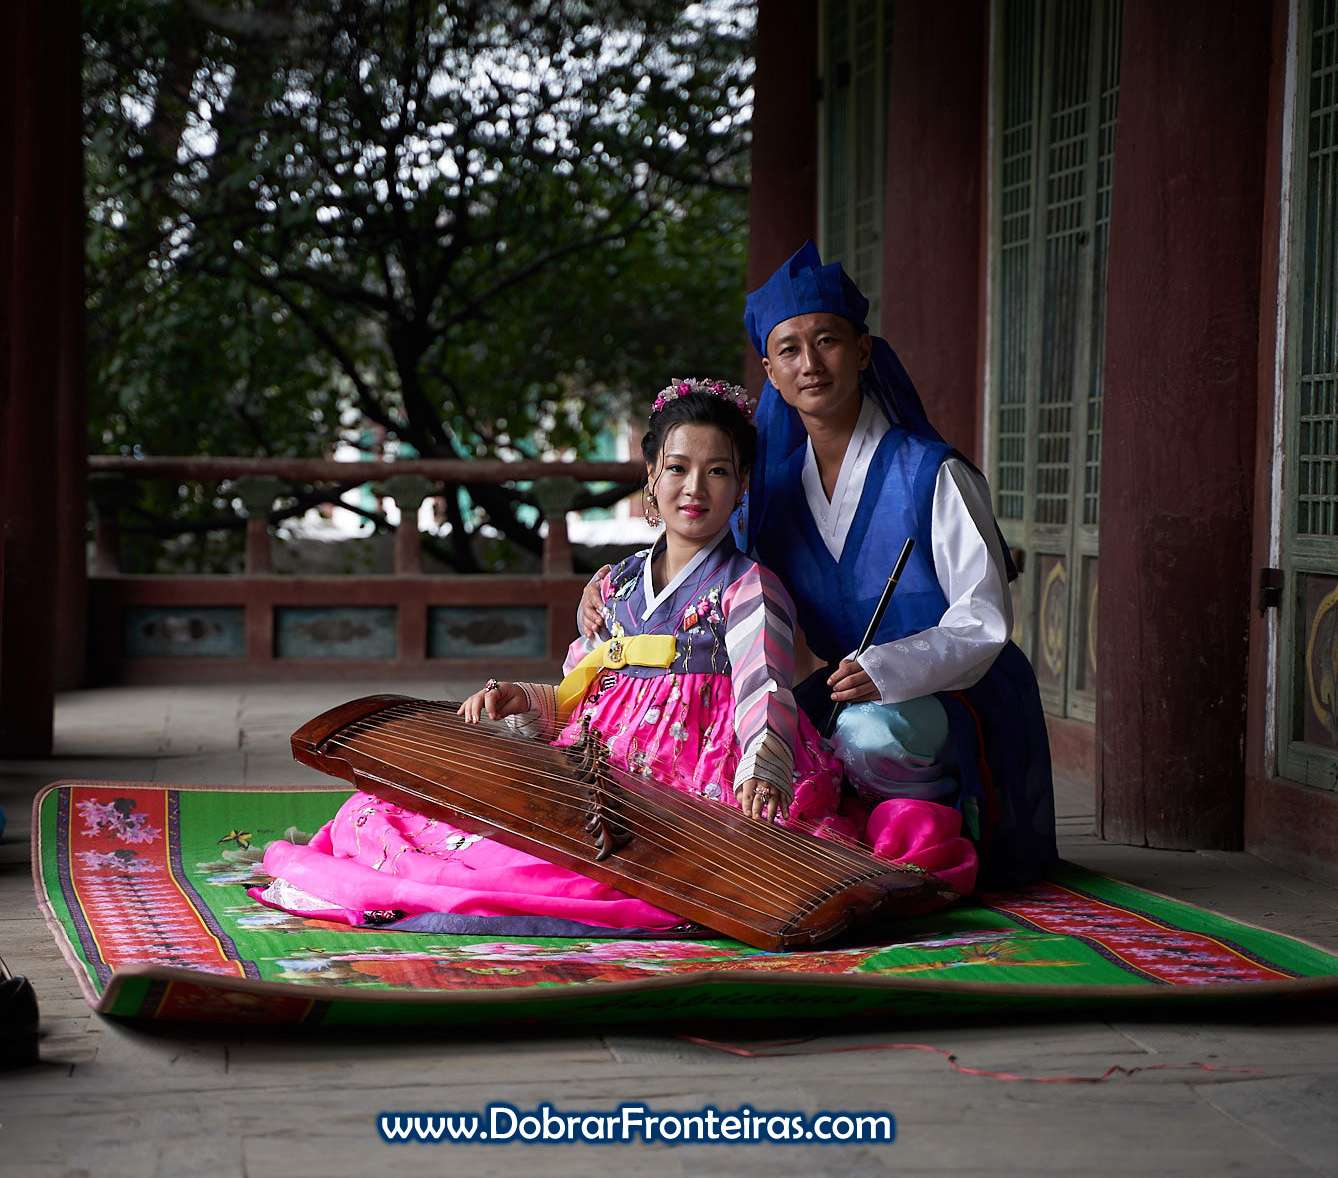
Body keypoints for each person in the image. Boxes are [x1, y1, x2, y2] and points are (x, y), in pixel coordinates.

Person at [251, 379, 978, 937]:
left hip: (699, 769)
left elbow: (766, 691)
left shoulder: (750, 586)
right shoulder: (615, 583)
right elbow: (580, 690)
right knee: (397, 814)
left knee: (613, 863)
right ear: (651, 478)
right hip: (600, 755)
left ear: (742, 486)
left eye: (718, 472)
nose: (695, 488)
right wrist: (523, 700)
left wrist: (764, 769)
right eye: (678, 468)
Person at [581, 243, 1056, 887]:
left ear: (861, 350)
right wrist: (608, 591)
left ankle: (936, 825)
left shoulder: (931, 473)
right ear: (770, 372)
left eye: (827, 341)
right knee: (764, 748)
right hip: (842, 690)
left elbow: (985, 621)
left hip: (953, 695)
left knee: (861, 738)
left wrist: (889, 668)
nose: (809, 363)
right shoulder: (773, 491)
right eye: (789, 349)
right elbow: (712, 583)